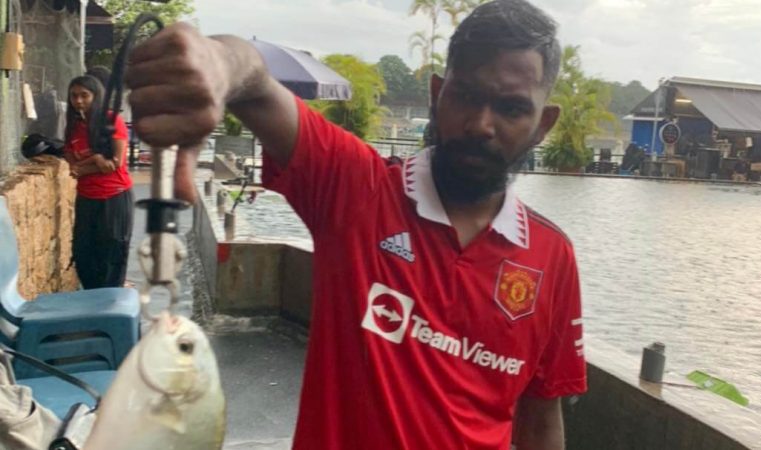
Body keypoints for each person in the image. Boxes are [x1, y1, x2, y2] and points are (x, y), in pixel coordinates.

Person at [126, 0, 586, 448]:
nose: (481, 124)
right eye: (466, 96)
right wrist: (218, 61)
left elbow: (542, 417)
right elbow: (259, 84)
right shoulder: (357, 190)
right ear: (436, 93)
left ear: (542, 124)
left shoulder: (552, 256)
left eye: (511, 109)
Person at [63, 76, 134, 289]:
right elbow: (72, 166)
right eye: (74, 95)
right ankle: (93, 298)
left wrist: (84, 166)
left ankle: (111, 301)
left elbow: (115, 163)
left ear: (96, 97)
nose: (79, 101)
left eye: (85, 95)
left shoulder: (112, 121)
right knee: (82, 253)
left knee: (111, 251)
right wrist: (95, 160)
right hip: (86, 196)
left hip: (115, 196)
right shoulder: (73, 127)